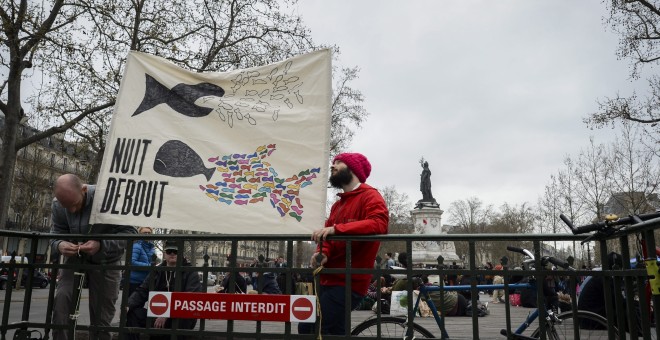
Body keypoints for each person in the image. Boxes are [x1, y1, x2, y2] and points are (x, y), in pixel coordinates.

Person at [298, 152, 389, 336]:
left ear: (353, 169)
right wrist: (322, 253)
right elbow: (328, 238)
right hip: (329, 278)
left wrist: (338, 229)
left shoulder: (371, 196)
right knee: (309, 326)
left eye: (339, 162)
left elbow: (379, 223)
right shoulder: (337, 206)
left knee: (324, 328)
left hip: (349, 282)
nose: (333, 166)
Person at [50, 174, 136, 340]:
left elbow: (129, 233)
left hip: (106, 260)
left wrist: (101, 244)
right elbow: (55, 235)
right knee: (61, 302)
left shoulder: (110, 198)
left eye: (74, 204)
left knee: (101, 316)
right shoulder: (58, 205)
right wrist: (60, 245)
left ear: (84, 190)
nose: (71, 210)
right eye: (65, 206)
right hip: (75, 258)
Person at [127, 240, 202, 340]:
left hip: (179, 316)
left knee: (184, 318)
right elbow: (142, 290)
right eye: (169, 251)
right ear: (164, 254)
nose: (172, 254)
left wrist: (167, 313)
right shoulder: (157, 271)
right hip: (156, 314)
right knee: (132, 313)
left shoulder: (190, 272)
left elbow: (190, 297)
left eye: (175, 252)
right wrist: (128, 305)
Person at [129, 227, 156, 296]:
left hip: (145, 281)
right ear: (140, 234)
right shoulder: (136, 246)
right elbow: (132, 262)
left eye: (149, 233)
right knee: (131, 304)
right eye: (145, 233)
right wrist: (149, 266)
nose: (147, 234)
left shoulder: (152, 247)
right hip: (135, 281)